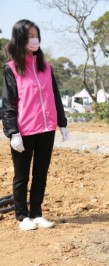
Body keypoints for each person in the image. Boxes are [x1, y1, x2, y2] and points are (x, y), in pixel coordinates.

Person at [2, 20, 69, 231]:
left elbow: (55, 95)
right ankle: (22, 217)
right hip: (24, 131)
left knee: (41, 173)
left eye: (36, 34)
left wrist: (62, 122)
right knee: (21, 175)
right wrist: (13, 132)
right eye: (30, 35)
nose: (34, 39)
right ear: (20, 38)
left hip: (47, 129)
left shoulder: (46, 67)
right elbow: (8, 103)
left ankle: (37, 213)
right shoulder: (11, 68)